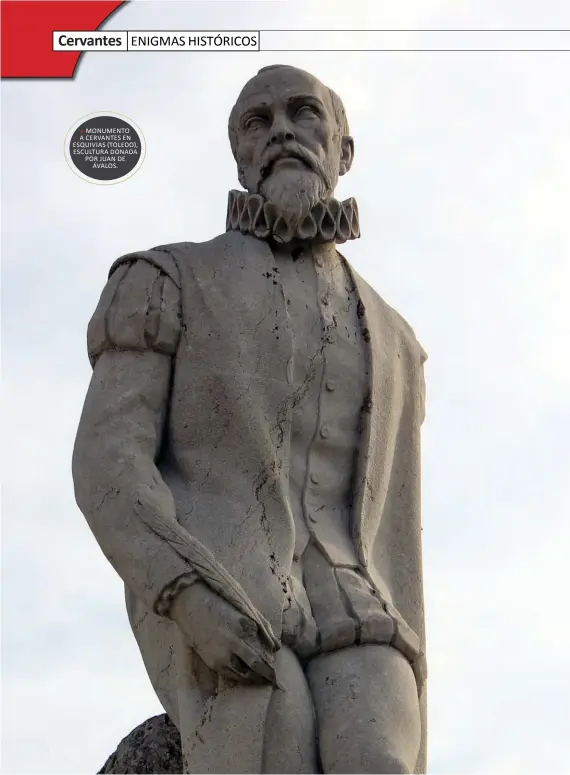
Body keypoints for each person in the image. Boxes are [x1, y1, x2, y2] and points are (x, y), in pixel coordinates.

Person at [73, 64, 428, 773]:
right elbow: (107, 463)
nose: (282, 133)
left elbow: (395, 523)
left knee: (377, 756)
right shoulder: (163, 279)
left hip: (360, 601)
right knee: (273, 740)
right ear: (239, 154)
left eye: (303, 115)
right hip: (219, 588)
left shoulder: (395, 340)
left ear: (342, 150)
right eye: (257, 123)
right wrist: (187, 595)